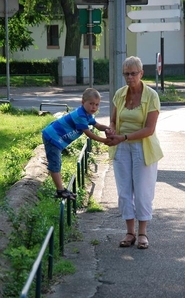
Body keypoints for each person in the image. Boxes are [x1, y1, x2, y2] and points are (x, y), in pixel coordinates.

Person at [107, 56, 163, 249]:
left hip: (143, 146)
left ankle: (142, 233)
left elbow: (149, 129)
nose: (129, 77)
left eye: (133, 73)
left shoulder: (151, 96)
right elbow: (113, 120)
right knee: (124, 192)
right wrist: (112, 130)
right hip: (121, 147)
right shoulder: (120, 94)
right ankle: (129, 232)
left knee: (142, 192)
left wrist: (124, 137)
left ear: (141, 74)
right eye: (126, 74)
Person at [42, 88, 112, 200]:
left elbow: (98, 125)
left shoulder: (88, 115)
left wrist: (108, 129)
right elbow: (88, 133)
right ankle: (60, 191)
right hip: (52, 137)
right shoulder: (80, 115)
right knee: (55, 163)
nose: (94, 107)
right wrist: (104, 141)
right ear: (83, 102)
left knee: (57, 162)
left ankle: (61, 189)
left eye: (97, 105)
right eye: (91, 104)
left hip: (57, 138)